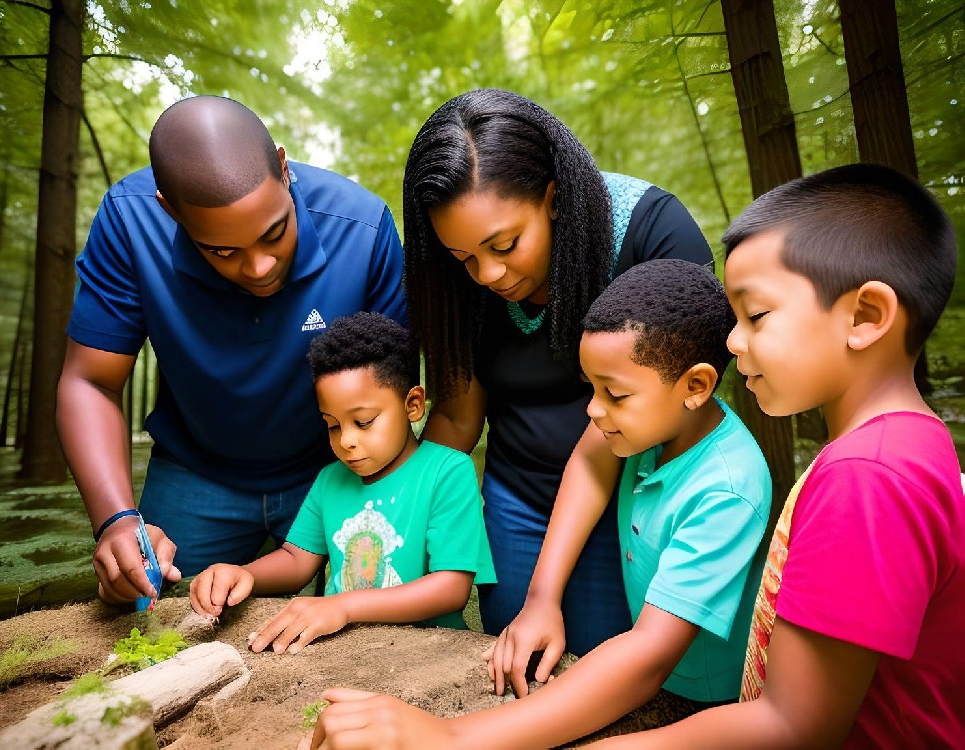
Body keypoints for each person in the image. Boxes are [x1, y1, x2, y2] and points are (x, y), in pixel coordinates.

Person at [307, 259, 773, 749]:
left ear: (695, 386)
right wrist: (542, 599)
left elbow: (649, 657)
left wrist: (451, 738)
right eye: (590, 388)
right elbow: (588, 465)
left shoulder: (726, 489)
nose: (593, 410)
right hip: (658, 676)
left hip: (708, 700)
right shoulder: (657, 419)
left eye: (613, 394)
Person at [57, 96, 407, 605]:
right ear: (168, 209)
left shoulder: (363, 228)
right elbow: (90, 380)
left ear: (284, 170)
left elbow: (394, 400)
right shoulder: (130, 222)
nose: (260, 267)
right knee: (154, 623)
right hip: (195, 470)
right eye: (223, 250)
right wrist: (117, 521)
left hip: (336, 471)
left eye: (274, 233)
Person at [402, 88, 714, 654]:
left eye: (505, 244)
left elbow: (620, 432)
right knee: (513, 664)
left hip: (632, 499)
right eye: (464, 257)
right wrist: (403, 509)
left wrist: (545, 595)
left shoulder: (651, 233)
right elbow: (457, 413)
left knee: (606, 671)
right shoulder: (461, 275)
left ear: (552, 196)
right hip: (515, 499)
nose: (488, 275)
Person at [190, 312, 496, 650]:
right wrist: (245, 574)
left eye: (363, 422)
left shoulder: (447, 471)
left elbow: (451, 588)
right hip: (343, 651)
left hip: (427, 653)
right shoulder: (330, 479)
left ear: (413, 405)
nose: (346, 441)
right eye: (333, 425)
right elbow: (296, 560)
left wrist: (342, 606)